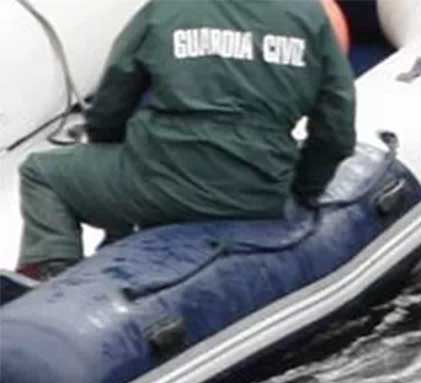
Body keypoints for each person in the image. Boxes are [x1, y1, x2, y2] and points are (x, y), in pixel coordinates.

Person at [16, 0, 356, 280]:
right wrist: (303, 191)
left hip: (160, 184)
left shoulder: (166, 10)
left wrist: (114, 154)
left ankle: (53, 279)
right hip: (258, 193)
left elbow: (109, 108)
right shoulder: (311, 17)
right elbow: (336, 133)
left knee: (40, 174)